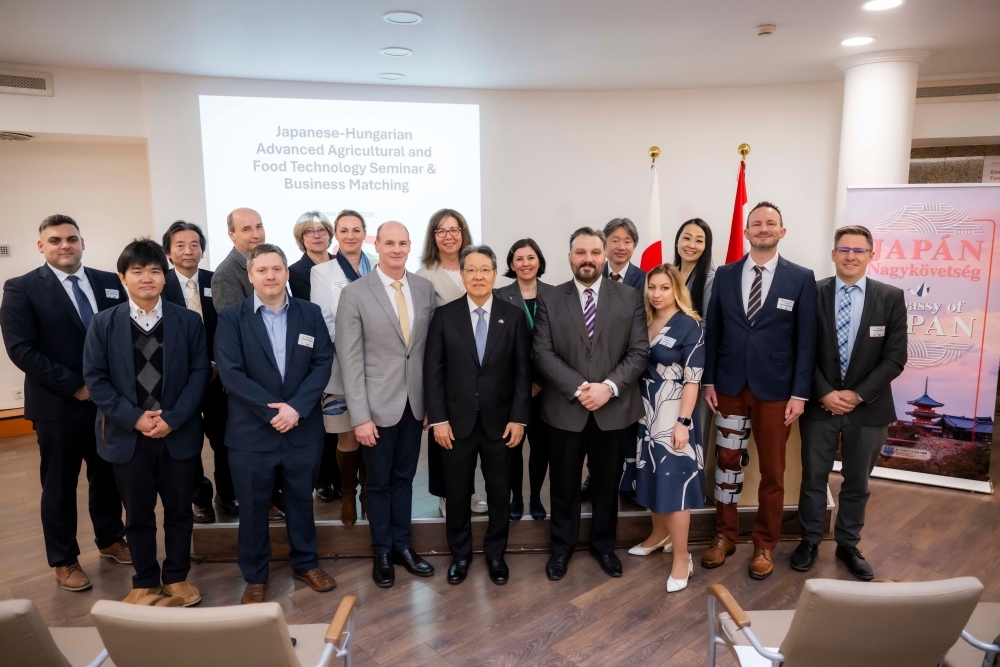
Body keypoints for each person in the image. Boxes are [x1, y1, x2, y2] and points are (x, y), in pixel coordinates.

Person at [0, 214, 129, 593]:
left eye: (71, 239)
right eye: (55, 240)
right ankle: (64, 559)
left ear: (82, 243)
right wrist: (76, 386)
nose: (65, 245)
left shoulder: (109, 282)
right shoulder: (21, 288)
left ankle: (110, 538)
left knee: (107, 477)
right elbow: (21, 349)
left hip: (108, 403)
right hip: (58, 406)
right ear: (41, 246)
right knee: (59, 485)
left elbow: (124, 334)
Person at [83, 239, 209, 605]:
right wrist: (135, 418)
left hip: (177, 433)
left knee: (180, 512)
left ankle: (177, 577)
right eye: (137, 271)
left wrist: (173, 419)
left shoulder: (188, 321)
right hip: (128, 436)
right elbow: (96, 379)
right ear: (122, 277)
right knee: (137, 514)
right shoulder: (103, 323)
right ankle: (145, 579)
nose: (147, 278)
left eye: (154, 271)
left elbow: (200, 373)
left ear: (164, 276)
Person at [214, 244, 336, 604]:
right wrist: (274, 412)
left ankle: (306, 563)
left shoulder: (309, 313)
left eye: (277, 269)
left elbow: (323, 363)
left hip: (302, 429)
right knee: (253, 509)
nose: (270, 276)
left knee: (301, 501)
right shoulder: (232, 318)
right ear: (250, 276)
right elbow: (231, 373)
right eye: (262, 270)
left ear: (286, 273)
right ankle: (255, 576)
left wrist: (296, 408)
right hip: (251, 434)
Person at [702, 201, 817, 580]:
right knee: (727, 466)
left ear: (782, 231)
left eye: (771, 223)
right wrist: (709, 380)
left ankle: (765, 544)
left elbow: (806, 341)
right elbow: (714, 331)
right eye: (756, 223)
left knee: (773, 472)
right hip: (729, 388)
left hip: (777, 392)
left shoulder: (800, 278)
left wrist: (800, 393)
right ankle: (725, 535)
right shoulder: (725, 275)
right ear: (746, 232)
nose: (763, 228)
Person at [533, 227, 648, 581]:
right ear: (570, 257)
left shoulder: (630, 297)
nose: (588, 259)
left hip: (613, 411)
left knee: (606, 485)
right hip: (565, 410)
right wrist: (581, 388)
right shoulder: (550, 298)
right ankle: (561, 549)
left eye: (595, 252)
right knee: (563, 484)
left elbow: (638, 351)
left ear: (605, 256)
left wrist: (608, 388)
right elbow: (542, 352)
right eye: (581, 252)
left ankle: (604, 546)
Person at [792, 225, 906, 581]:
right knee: (814, 478)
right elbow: (799, 349)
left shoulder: (890, 297)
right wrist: (824, 392)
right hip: (819, 404)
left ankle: (848, 544)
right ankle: (809, 540)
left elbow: (895, 357)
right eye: (844, 249)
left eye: (859, 250)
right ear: (833, 254)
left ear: (871, 255)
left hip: (870, 408)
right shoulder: (812, 292)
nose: (851, 256)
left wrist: (857, 395)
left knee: (857, 481)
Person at [337, 221, 437, 588]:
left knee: (404, 479)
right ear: (376, 245)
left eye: (402, 243)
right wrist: (359, 417)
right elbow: (349, 360)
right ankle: (381, 550)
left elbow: (428, 353)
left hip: (414, 404)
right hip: (375, 408)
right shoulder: (355, 293)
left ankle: (402, 546)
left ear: (410, 246)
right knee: (378, 482)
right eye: (389, 243)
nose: (396, 249)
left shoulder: (424, 289)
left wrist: (430, 404)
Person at [425, 245, 531, 586]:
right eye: (471, 269)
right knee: (457, 494)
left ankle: (496, 555)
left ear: (495, 274)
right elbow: (433, 372)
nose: (478, 276)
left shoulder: (513, 316)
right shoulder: (445, 316)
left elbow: (522, 373)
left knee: (500, 492)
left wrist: (519, 418)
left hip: (502, 424)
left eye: (485, 269)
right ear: (462, 275)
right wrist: (439, 420)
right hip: (455, 424)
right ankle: (460, 556)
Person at [621, 264, 704, 593]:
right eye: (652, 287)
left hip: (673, 416)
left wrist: (683, 423)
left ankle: (682, 557)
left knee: (674, 486)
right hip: (643, 413)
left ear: (677, 290)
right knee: (651, 477)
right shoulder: (643, 320)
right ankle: (659, 536)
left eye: (664, 287)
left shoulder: (690, 325)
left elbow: (693, 380)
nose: (657, 294)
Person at [211, 207, 284, 522]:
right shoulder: (226, 274)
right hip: (253, 382)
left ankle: (274, 497)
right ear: (231, 235)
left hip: (281, 380)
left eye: (259, 226)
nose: (256, 234)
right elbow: (240, 331)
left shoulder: (270, 261)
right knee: (253, 455)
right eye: (246, 229)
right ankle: (254, 502)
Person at [415, 208, 488, 517]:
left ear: (463, 232)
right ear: (433, 236)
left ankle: (468, 492)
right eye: (441, 230)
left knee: (473, 435)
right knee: (445, 437)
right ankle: (446, 495)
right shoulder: (423, 276)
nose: (448, 236)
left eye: (454, 229)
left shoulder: (475, 265)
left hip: (479, 366)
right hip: (446, 367)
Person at [160, 220, 233, 524]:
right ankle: (199, 499)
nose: (188, 250)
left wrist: (215, 361)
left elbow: (227, 326)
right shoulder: (159, 284)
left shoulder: (216, 280)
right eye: (180, 245)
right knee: (187, 443)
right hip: (179, 381)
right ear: (168, 252)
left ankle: (227, 494)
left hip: (216, 376)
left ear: (202, 250)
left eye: (194, 245)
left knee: (224, 439)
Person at [310, 209, 378, 524]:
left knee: (373, 435)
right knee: (347, 435)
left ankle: (368, 494)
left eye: (356, 229)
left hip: (377, 366)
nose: (350, 236)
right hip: (339, 364)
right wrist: (351, 348)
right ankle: (348, 494)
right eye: (344, 230)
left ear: (365, 234)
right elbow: (322, 319)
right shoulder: (322, 271)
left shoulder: (378, 265)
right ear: (336, 235)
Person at [494, 238, 554, 521]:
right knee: (512, 447)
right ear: (511, 264)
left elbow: (560, 344)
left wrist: (539, 380)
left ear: (539, 261)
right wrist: (523, 382)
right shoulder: (498, 296)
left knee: (541, 447)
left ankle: (535, 497)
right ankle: (516, 498)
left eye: (531, 257)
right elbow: (497, 347)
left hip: (547, 387)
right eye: (519, 258)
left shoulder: (556, 294)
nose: (525, 263)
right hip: (513, 387)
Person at [289, 211, 340, 503]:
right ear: (301, 237)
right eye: (309, 231)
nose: (317, 235)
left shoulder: (342, 264)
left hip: (344, 348)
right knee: (320, 417)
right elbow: (309, 312)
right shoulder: (295, 271)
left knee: (340, 415)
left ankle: (342, 477)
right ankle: (323, 479)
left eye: (321, 230)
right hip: (314, 350)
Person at [673, 218, 715, 319]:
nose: (691, 245)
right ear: (677, 242)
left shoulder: (711, 280)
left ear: (706, 247)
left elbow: (707, 322)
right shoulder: (667, 275)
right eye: (687, 238)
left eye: (699, 241)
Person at [602, 217, 646, 289]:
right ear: (604, 243)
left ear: (634, 246)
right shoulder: (595, 275)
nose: (621, 247)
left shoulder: (644, 279)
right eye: (615, 241)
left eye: (627, 242)